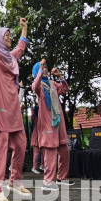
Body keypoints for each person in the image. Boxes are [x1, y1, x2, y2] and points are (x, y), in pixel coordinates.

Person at [0, 3, 29, 201]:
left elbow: (21, 46)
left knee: (21, 143)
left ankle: (15, 181)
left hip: (13, 108)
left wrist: (24, 28)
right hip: (1, 107)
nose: (10, 39)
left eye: (11, 36)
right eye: (7, 36)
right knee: (1, 147)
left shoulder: (11, 59)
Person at [32, 60, 71, 189]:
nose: (46, 69)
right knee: (50, 151)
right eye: (43, 67)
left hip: (58, 122)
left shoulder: (52, 83)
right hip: (47, 124)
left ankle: (61, 177)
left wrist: (60, 76)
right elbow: (35, 86)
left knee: (64, 149)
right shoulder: (39, 86)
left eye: (46, 67)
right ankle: (47, 181)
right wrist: (40, 71)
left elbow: (65, 88)